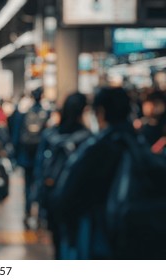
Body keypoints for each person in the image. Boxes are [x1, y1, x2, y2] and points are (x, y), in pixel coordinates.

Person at [51, 87, 136, 259]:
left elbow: (66, 196)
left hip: (99, 238)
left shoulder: (97, 148)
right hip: (134, 240)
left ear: (101, 112)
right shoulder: (141, 145)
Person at [34, 92, 91, 259]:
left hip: (52, 196)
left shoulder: (50, 136)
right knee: (75, 242)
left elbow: (39, 168)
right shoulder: (88, 140)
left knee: (57, 241)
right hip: (77, 200)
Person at [10, 87, 50, 228]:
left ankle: (27, 212)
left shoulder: (24, 114)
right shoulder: (47, 114)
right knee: (39, 184)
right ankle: (39, 215)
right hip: (42, 156)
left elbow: (16, 137)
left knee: (27, 186)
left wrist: (14, 156)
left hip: (26, 156)